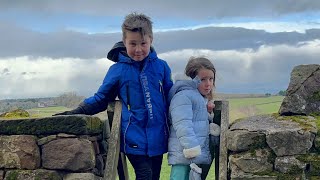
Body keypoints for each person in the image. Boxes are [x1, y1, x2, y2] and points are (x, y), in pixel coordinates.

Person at [54, 12, 173, 180]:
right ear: (124, 42)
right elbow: (101, 98)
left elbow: (172, 96)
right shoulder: (118, 70)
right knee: (145, 174)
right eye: (133, 43)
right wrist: (75, 112)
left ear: (151, 40)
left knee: (154, 176)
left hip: (158, 135)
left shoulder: (161, 67)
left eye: (143, 43)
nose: (138, 49)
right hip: (133, 134)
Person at [167, 57, 220, 180]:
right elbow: (182, 123)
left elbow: (198, 121)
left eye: (211, 79)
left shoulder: (198, 97)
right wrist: (191, 148)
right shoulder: (183, 96)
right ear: (192, 79)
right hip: (185, 153)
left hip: (192, 155)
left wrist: (208, 112)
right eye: (203, 79)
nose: (208, 84)